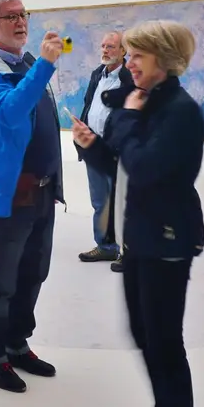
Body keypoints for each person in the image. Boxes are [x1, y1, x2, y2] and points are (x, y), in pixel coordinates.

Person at [72, 21, 204, 407]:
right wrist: (93, 149)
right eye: (128, 56)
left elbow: (146, 167)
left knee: (165, 343)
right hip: (142, 236)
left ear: (164, 61)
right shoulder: (149, 102)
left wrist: (124, 118)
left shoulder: (179, 112)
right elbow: (124, 160)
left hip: (167, 239)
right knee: (144, 333)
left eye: (137, 57)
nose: (128, 64)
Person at [0, 0, 64, 393]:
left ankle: (16, 343)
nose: (21, 20)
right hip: (10, 194)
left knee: (33, 272)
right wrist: (45, 64)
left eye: (24, 13)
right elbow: (9, 111)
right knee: (2, 278)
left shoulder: (27, 63)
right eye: (10, 16)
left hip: (40, 189)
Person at [76, 31, 133, 264]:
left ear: (123, 51)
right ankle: (106, 245)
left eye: (111, 46)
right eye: (103, 46)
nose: (105, 50)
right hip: (94, 148)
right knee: (100, 201)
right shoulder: (96, 75)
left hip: (118, 152)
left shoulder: (131, 78)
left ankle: (127, 251)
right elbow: (89, 105)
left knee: (122, 203)